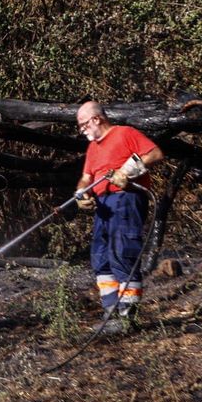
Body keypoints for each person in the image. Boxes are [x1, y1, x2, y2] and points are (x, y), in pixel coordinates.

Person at [74, 101, 163, 334]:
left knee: (122, 253)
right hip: (103, 204)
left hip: (126, 198)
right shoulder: (93, 148)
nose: (82, 130)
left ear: (96, 119)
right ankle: (110, 312)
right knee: (101, 257)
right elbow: (86, 177)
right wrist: (81, 192)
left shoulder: (126, 133)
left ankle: (126, 317)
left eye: (83, 124)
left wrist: (127, 172)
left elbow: (155, 153)